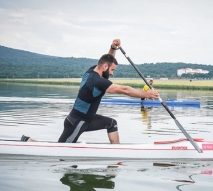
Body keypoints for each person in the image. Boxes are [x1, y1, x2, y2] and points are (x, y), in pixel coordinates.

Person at [21, 39, 159, 144]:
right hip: (77, 121)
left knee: (112, 123)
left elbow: (107, 59)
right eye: (112, 70)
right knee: (60, 151)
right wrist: (146, 94)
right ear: (105, 67)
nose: (112, 73)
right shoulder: (97, 81)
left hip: (87, 119)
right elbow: (123, 90)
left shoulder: (93, 70)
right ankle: (29, 142)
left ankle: (117, 153)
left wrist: (112, 48)